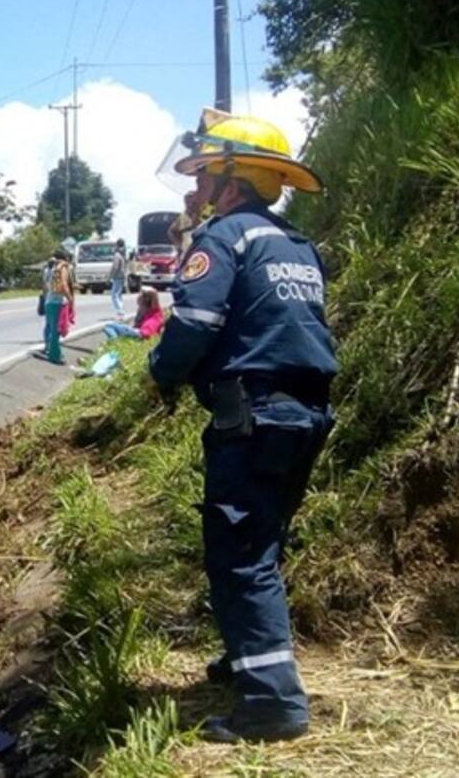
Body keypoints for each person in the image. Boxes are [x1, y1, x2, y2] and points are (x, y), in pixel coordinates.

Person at [148, 109, 338, 744]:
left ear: (234, 181)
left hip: (252, 414)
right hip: (304, 413)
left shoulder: (226, 237)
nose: (196, 192)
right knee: (264, 545)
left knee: (240, 554)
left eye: (205, 178)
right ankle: (247, 660)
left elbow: (195, 325)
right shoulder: (296, 246)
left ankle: (272, 705)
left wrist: (163, 373)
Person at [39, 248, 73, 365]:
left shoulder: (52, 268)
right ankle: (54, 356)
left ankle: (55, 352)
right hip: (57, 302)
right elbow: (63, 284)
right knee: (56, 331)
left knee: (53, 329)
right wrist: (70, 298)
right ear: (65, 258)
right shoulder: (63, 268)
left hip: (49, 301)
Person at [109, 239, 128, 318]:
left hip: (117, 276)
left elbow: (115, 267)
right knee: (119, 294)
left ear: (117, 245)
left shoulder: (117, 255)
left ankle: (120, 310)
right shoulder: (123, 254)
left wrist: (110, 276)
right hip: (122, 276)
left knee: (114, 294)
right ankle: (121, 310)